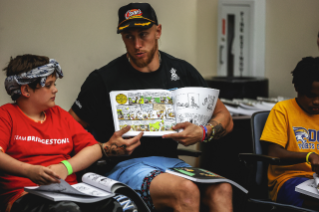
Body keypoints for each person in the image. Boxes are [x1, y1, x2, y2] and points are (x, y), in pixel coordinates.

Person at [69, 3, 234, 212]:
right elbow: (68, 128)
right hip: (123, 167)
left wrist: (203, 132)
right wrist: (106, 148)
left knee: (222, 188)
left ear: (158, 31)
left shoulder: (182, 71)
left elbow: (225, 118)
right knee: (186, 190)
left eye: (143, 34)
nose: (137, 44)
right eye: (129, 36)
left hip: (171, 164)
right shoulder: (103, 79)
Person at [0, 54, 138, 212]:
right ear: (26, 90)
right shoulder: (6, 116)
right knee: (66, 209)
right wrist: (29, 171)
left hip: (70, 192)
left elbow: (94, 148)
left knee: (114, 206)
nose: (55, 89)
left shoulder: (60, 115)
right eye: (49, 85)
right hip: (24, 195)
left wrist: (65, 167)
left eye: (55, 84)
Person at [260, 57, 319, 210]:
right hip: (287, 179)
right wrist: (309, 155)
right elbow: (274, 153)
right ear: (297, 87)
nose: (317, 101)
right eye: (311, 95)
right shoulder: (283, 110)